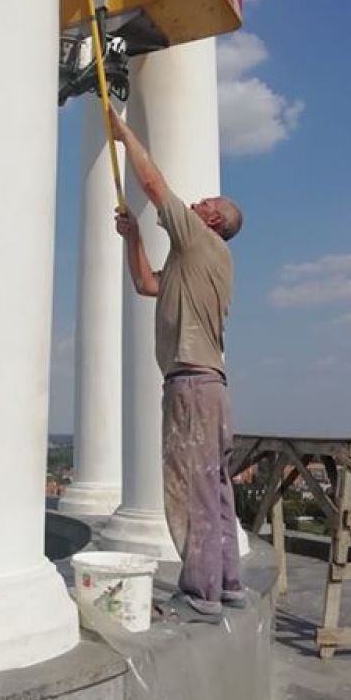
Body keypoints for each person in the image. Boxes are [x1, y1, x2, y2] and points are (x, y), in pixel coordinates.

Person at [109, 103, 244, 624]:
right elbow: (147, 285)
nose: (197, 201)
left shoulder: (200, 239)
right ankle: (226, 584)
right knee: (214, 486)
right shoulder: (197, 261)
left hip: (191, 382)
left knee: (190, 487)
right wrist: (134, 240)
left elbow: (154, 185)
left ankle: (199, 593)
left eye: (205, 201)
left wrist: (125, 135)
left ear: (212, 219)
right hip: (207, 385)